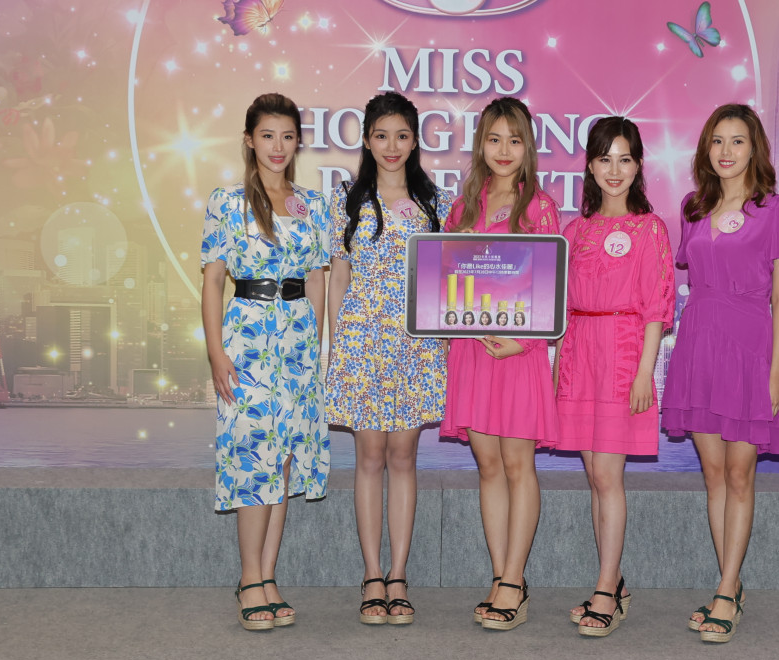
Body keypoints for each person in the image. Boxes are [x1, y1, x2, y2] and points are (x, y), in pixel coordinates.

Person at [660, 103, 779, 643]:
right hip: (697, 346)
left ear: (754, 148)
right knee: (714, 475)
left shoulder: (776, 209)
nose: (726, 151)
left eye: (737, 141)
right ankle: (730, 586)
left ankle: (724, 590)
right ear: (706, 148)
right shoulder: (693, 207)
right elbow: (688, 280)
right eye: (717, 140)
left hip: (749, 350)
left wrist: (775, 374)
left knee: (740, 474)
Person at [201, 93, 330, 631]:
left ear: (298, 141)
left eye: (288, 136)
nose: (278, 146)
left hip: (298, 342)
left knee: (283, 462)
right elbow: (213, 280)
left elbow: (317, 278)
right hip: (247, 339)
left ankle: (268, 577)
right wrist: (216, 352)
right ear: (250, 140)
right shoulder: (227, 202)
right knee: (254, 458)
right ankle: (249, 578)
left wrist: (315, 350)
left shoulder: (313, 204)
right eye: (268, 135)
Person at [326, 92, 453, 626]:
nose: (392, 146)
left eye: (402, 135)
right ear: (367, 140)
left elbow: (449, 279)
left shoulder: (437, 203)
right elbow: (338, 278)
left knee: (403, 458)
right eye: (381, 135)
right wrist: (339, 348)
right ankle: (372, 574)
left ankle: (399, 576)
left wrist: (443, 341)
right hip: (361, 344)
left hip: (416, 346)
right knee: (369, 459)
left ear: (415, 139)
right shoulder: (346, 200)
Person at [440, 96, 560, 631]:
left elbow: (552, 288)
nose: (504, 149)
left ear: (527, 146)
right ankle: (498, 576)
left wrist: (526, 344)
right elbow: (442, 287)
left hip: (519, 354)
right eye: (494, 139)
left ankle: (515, 579)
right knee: (488, 466)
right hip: (473, 353)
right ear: (481, 145)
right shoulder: (462, 208)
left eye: (514, 139)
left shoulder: (541, 207)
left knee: (517, 465)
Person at [555, 117, 674, 637]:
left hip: (623, 356)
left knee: (608, 476)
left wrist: (645, 372)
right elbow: (560, 308)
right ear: (589, 165)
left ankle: (606, 587)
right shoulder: (574, 231)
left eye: (625, 159)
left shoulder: (650, 229)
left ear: (639, 165)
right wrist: (558, 367)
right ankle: (613, 581)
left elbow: (657, 308)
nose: (614, 170)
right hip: (579, 355)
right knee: (595, 477)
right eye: (605, 159)